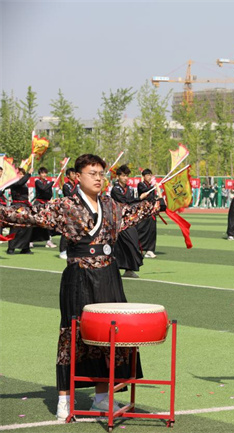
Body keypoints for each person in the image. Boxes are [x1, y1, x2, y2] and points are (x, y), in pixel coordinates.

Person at [0, 154, 160, 421]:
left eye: (101, 174)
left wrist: (161, 203)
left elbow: (136, 211)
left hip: (109, 274)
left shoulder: (111, 205)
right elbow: (27, 214)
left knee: (109, 334)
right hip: (79, 276)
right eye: (92, 173)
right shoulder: (65, 205)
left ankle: (101, 397)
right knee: (73, 333)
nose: (98, 178)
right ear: (77, 176)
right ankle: (65, 399)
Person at [111, 165, 151, 278]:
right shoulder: (115, 190)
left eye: (127, 176)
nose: (125, 178)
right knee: (120, 246)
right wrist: (140, 198)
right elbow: (125, 201)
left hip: (129, 220)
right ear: (118, 177)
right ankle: (114, 269)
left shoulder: (129, 189)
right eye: (123, 176)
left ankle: (129, 269)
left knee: (133, 243)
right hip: (119, 221)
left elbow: (132, 204)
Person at [6, 168, 35, 255]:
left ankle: (25, 247)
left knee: (28, 226)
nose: (21, 176)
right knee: (15, 227)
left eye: (22, 174)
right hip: (17, 206)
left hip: (25, 206)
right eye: (19, 174)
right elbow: (20, 182)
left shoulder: (24, 184)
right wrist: (28, 174)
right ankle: (11, 248)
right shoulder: (14, 182)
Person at [136, 169, 158, 258]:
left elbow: (153, 197)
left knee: (152, 230)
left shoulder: (151, 186)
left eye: (150, 175)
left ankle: (150, 250)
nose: (149, 177)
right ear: (144, 176)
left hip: (151, 211)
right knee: (142, 229)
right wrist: (154, 187)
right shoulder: (141, 185)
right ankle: (138, 248)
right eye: (148, 175)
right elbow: (145, 191)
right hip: (143, 211)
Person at [33, 167, 57, 249]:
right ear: (39, 174)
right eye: (42, 173)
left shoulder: (48, 183)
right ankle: (30, 241)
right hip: (39, 204)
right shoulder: (37, 181)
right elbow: (43, 189)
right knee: (36, 222)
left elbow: (49, 193)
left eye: (45, 173)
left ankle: (48, 241)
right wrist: (52, 183)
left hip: (46, 204)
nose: (44, 175)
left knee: (48, 222)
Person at [58, 168, 78, 260]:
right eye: (72, 174)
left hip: (77, 209)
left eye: (75, 173)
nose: (74, 175)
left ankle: (72, 249)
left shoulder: (77, 185)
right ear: (68, 176)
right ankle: (63, 250)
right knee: (66, 229)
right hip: (68, 209)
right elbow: (70, 196)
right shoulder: (66, 185)